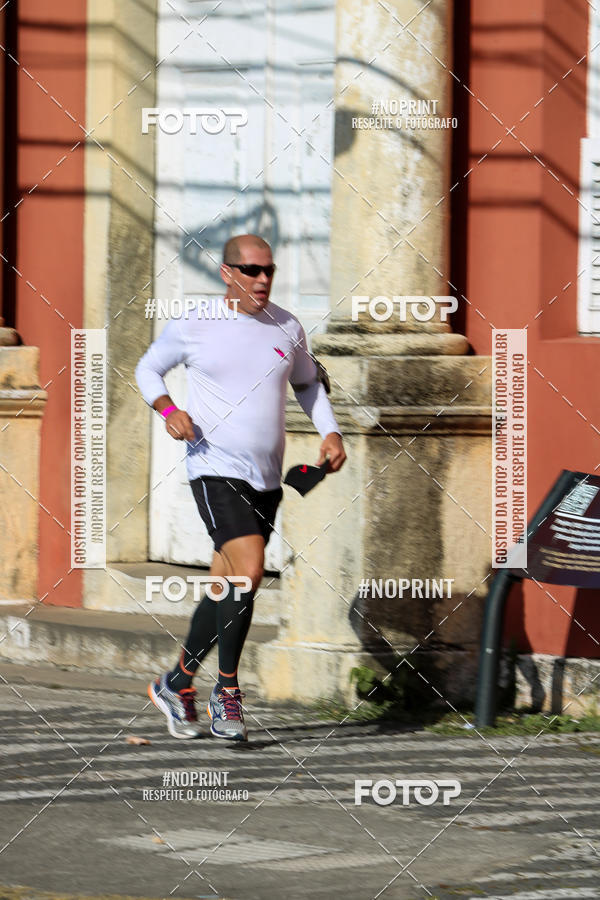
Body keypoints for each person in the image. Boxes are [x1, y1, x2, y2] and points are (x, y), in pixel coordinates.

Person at [135, 234, 346, 741]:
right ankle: (226, 691)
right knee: (249, 571)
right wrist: (169, 409)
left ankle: (176, 683)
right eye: (251, 270)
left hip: (267, 478)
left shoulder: (287, 325)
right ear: (227, 273)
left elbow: (307, 383)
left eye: (269, 270)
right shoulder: (196, 323)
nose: (263, 279)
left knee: (225, 584)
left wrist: (331, 431)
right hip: (213, 468)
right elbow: (148, 368)